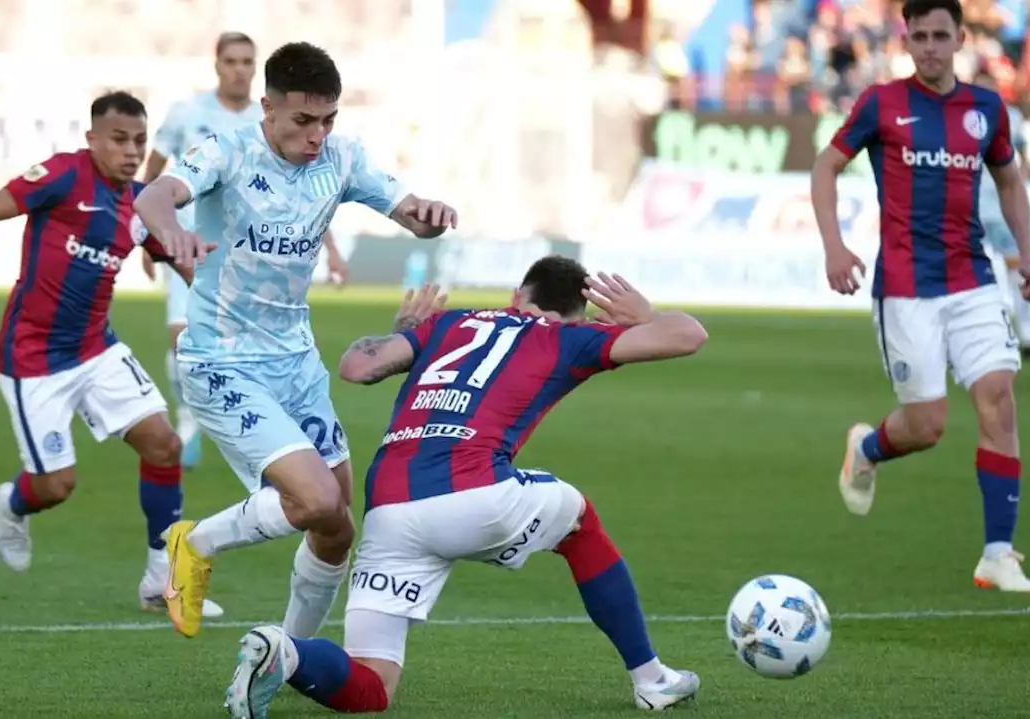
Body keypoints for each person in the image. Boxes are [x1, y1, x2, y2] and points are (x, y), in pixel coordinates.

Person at [221, 258, 709, 717]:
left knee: (372, 685)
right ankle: (651, 679)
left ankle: (285, 652)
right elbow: (689, 336)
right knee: (578, 520)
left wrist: (404, 332)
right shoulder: (569, 336)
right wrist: (645, 315)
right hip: (476, 497)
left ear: (517, 295)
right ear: (574, 313)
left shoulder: (446, 324)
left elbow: (355, 366)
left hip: (389, 511)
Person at [135, 41, 459, 640]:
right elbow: (154, 195)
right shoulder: (227, 152)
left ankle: (293, 654)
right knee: (313, 501)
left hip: (296, 360)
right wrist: (169, 233)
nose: (317, 134)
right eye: (304, 120)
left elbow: (408, 212)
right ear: (269, 108)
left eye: (328, 120)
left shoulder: (342, 157)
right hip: (222, 359)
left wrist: (430, 216)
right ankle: (193, 542)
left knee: (337, 526)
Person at [0, 91, 223, 618]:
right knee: (57, 486)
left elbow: (176, 254)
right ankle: (14, 502)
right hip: (33, 358)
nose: (131, 151)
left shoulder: (138, 204)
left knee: (163, 445)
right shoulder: (63, 176)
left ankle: (159, 578)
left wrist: (194, 266)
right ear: (92, 139)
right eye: (119, 139)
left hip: (97, 349)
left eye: (139, 141)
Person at [811, 0, 1030, 593]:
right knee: (927, 425)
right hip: (907, 289)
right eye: (920, 36)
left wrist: (1029, 255)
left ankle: (997, 552)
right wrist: (835, 248)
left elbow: (1010, 181)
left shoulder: (986, 109)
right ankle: (865, 447)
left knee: (998, 396)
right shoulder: (881, 105)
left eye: (941, 35)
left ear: (961, 38)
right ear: (906, 40)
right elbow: (825, 168)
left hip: (972, 280)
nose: (931, 46)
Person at [141, 32, 350, 469]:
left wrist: (329, 248)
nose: (239, 69)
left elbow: (306, 201)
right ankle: (189, 415)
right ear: (217, 64)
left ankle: (248, 418)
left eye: (247, 62)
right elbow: (155, 172)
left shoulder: (280, 122)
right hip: (192, 244)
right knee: (183, 333)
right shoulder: (188, 113)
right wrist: (151, 234)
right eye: (231, 60)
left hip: (252, 257)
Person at [971, 67, 1030, 360]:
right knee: (969, 279)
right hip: (969, 210)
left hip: (1000, 212)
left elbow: (1020, 162)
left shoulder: (1008, 117)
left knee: (1017, 274)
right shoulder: (958, 117)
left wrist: (1018, 188)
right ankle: (975, 339)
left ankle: (1027, 338)